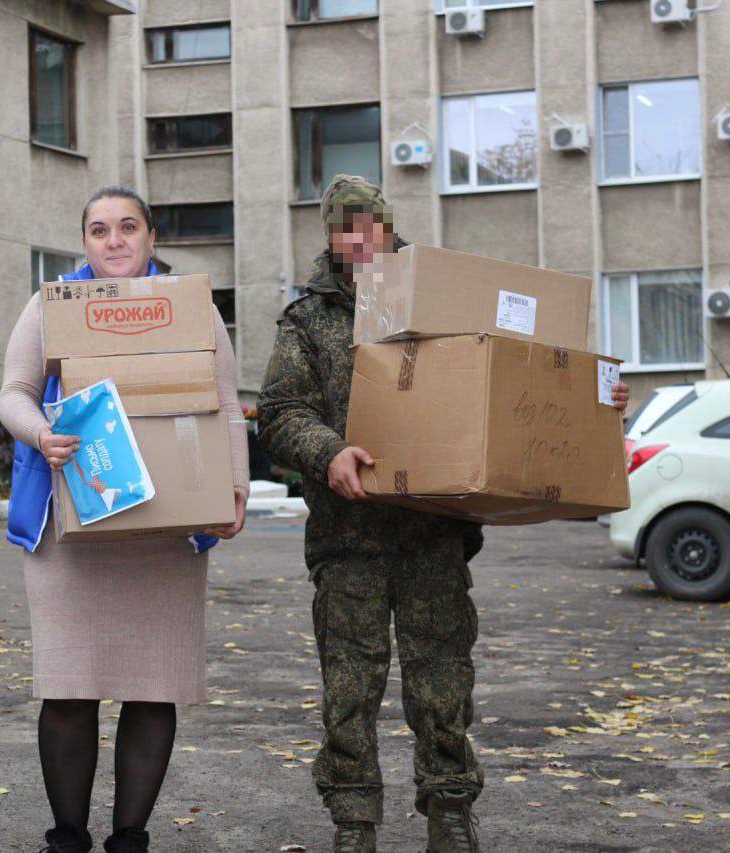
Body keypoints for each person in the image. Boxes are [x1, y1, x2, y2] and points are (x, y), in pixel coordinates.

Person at [257, 175, 629, 853]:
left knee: (442, 684)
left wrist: (596, 395)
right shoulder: (308, 319)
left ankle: (451, 812)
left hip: (435, 534)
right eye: (346, 228)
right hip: (350, 539)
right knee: (350, 691)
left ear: (390, 227)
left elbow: (518, 372)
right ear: (330, 236)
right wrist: (329, 451)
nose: (361, 239)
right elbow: (280, 414)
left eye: (371, 225)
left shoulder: (442, 297)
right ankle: (353, 822)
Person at [0, 186, 249, 853]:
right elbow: (13, 394)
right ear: (83, 241)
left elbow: (226, 402)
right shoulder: (51, 304)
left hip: (165, 530)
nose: (113, 240)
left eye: (127, 227)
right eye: (99, 229)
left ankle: (130, 839)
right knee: (68, 687)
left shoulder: (191, 305)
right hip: (71, 528)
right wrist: (41, 434)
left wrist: (234, 487)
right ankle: (68, 839)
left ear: (150, 237)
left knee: (152, 684)